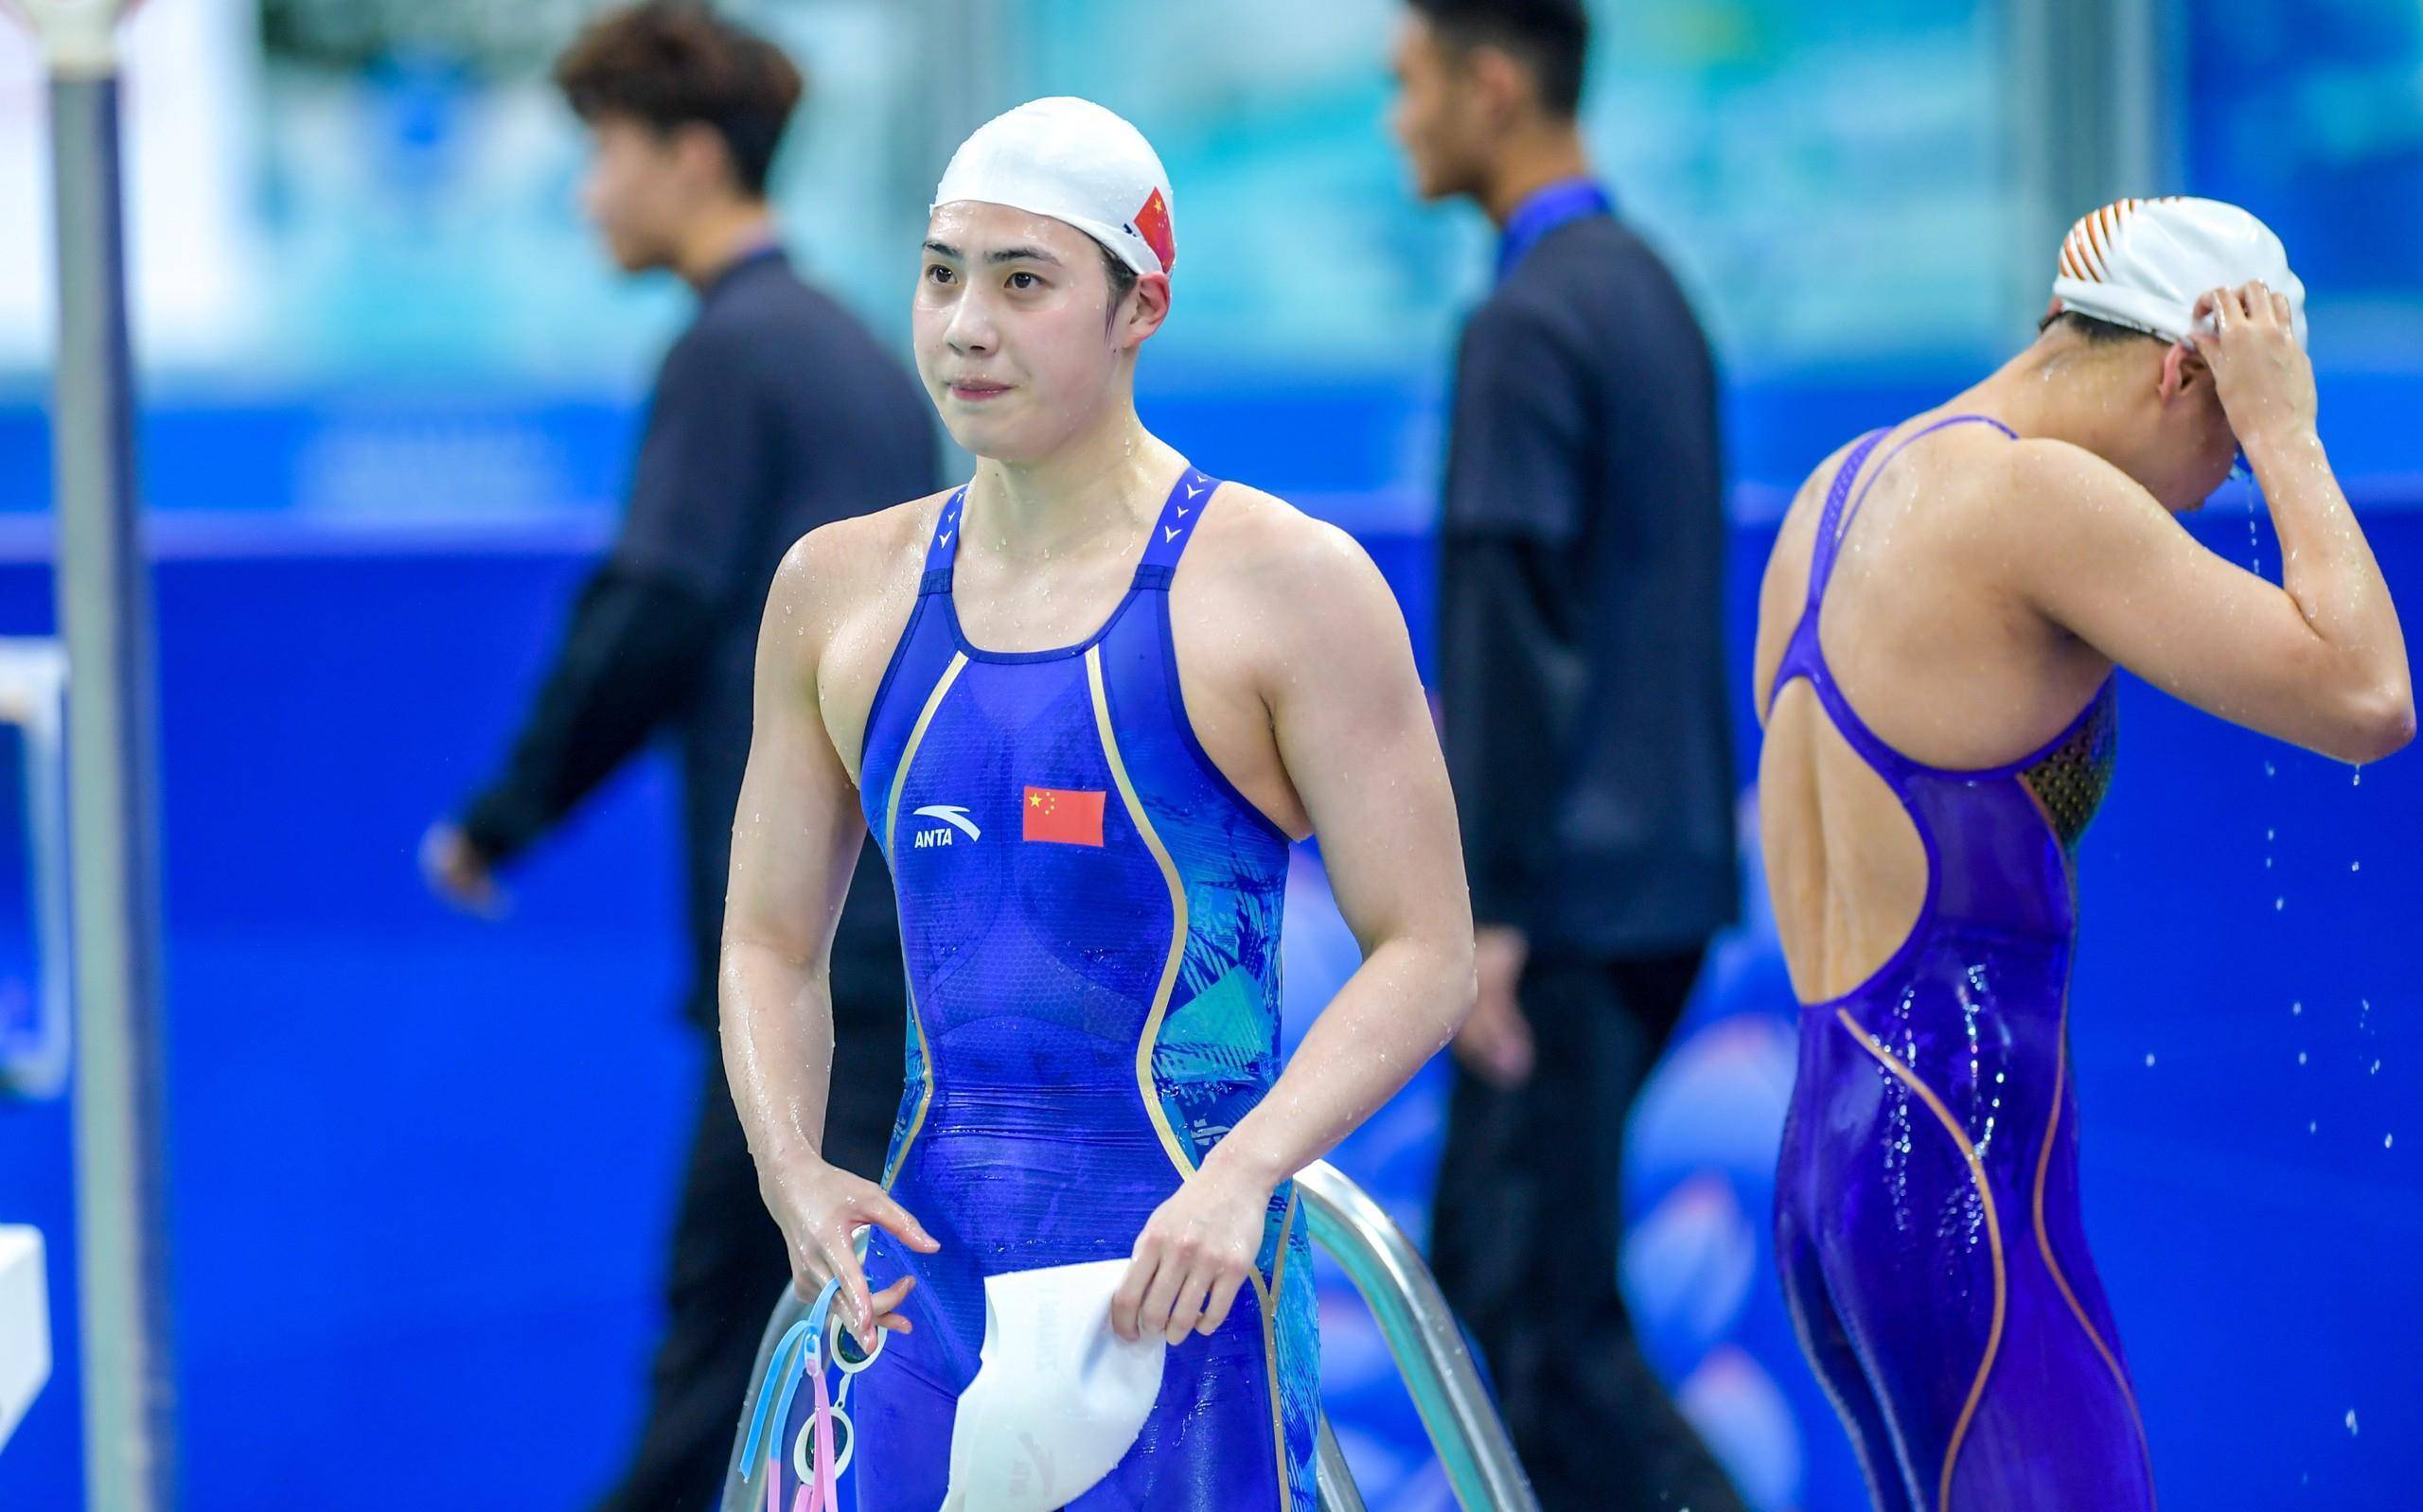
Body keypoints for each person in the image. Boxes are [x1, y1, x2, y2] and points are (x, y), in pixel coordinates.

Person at [716, 96, 1477, 1510]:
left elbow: (1427, 944)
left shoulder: (1286, 588)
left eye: (1023, 282)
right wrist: (791, 1168)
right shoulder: (839, 592)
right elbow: (770, 938)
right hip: (923, 1307)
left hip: (1182, 1292)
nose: (964, 326)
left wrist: (1247, 1172)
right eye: (942, 272)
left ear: (1143, 307)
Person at [1755, 197, 2411, 1511]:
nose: (2223, 478)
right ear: (2183, 368)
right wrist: (2288, 429)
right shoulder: (2029, 496)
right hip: (1958, 1175)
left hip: (1829, 1167)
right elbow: (2369, 694)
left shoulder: (1842, 486)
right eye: (2225, 436)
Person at [417, 6, 934, 1507]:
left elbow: (646, 611)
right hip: (889, 940)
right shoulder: (851, 359)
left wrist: (498, 821)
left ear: (692, 158)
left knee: (728, 1359)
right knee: (787, 1352)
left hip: (805, 960)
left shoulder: (732, 358)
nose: (586, 191)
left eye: (605, 152)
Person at [1386, 3, 1747, 1507]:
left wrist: (1492, 919)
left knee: (1539, 1329)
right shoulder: (1651, 290)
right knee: (1507, 1286)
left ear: (1494, 83)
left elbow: (1509, 640)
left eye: (1409, 87)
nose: (1398, 121)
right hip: (1657, 887)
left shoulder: (1526, 320)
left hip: (1566, 909)